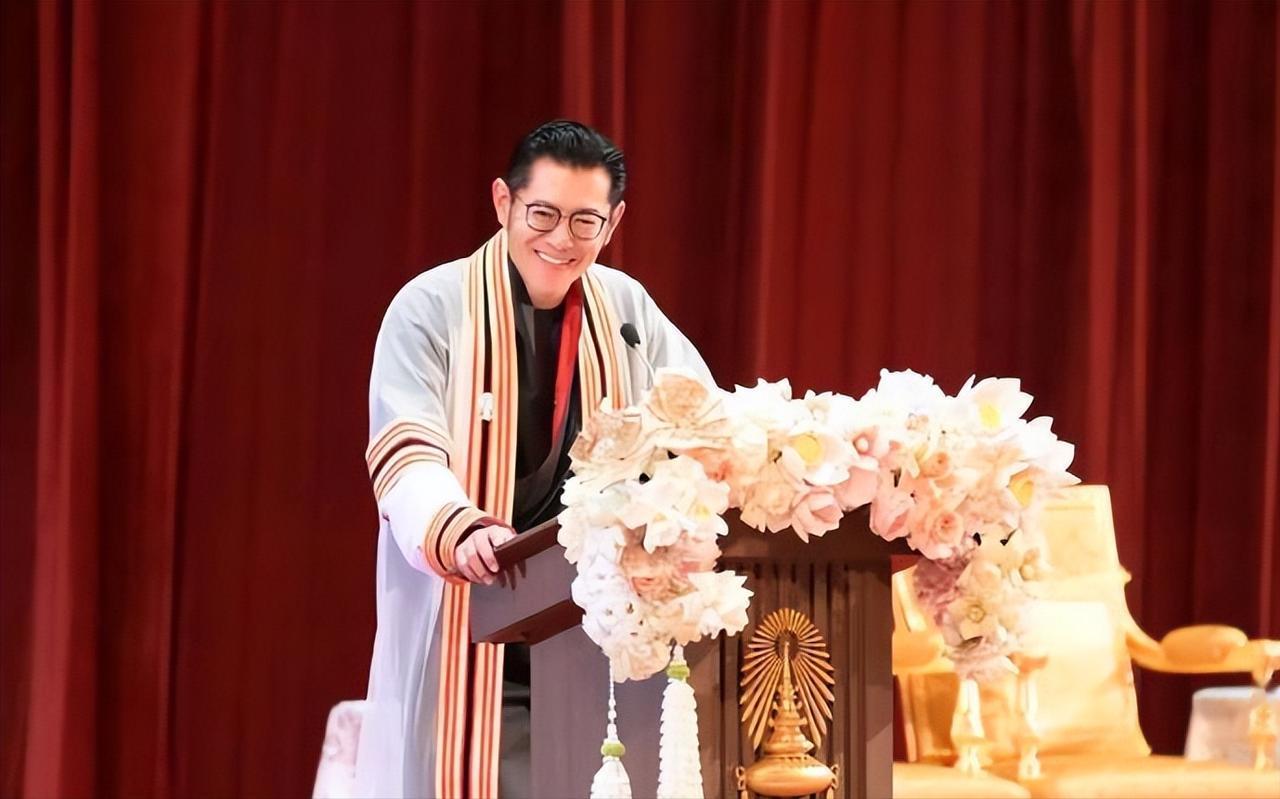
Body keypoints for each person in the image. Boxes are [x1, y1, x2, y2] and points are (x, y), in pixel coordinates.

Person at [353, 120, 713, 798]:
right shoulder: (431, 307)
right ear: (503, 202)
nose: (561, 239)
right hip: (472, 607)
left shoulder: (626, 312)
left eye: (585, 221)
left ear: (613, 222)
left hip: (593, 626)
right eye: (542, 214)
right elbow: (406, 446)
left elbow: (704, 424)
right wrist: (457, 525)